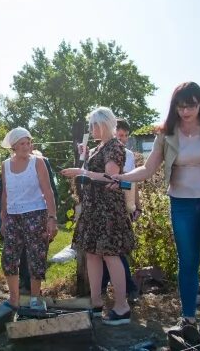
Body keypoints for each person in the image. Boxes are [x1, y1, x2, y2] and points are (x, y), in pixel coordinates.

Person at [113, 82, 200, 328]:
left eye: (191, 105)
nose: (186, 111)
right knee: (188, 261)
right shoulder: (165, 133)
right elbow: (149, 168)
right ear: (174, 106)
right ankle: (188, 318)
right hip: (182, 204)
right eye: (181, 106)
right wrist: (122, 178)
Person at [62, 107, 135, 325]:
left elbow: (110, 178)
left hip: (108, 211)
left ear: (105, 124)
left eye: (95, 125)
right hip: (94, 208)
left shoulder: (114, 147)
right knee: (92, 254)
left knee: (110, 255)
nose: (92, 129)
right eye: (91, 125)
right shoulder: (99, 147)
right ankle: (95, 303)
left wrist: (81, 172)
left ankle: (122, 307)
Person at [0, 128, 58, 311]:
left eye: (29, 143)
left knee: (36, 256)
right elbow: (5, 193)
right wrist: (3, 219)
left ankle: (34, 298)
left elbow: (47, 190)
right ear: (14, 146)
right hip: (12, 216)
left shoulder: (38, 162)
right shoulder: (5, 165)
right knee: (9, 257)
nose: (27, 147)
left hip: (36, 213)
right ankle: (14, 299)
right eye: (22, 144)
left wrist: (52, 217)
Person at [101, 119, 139, 298]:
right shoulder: (103, 150)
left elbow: (132, 183)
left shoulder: (128, 155)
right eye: (119, 135)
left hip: (121, 204)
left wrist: (136, 206)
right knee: (106, 248)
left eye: (124, 135)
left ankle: (127, 288)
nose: (122, 138)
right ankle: (107, 287)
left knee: (115, 249)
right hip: (102, 204)